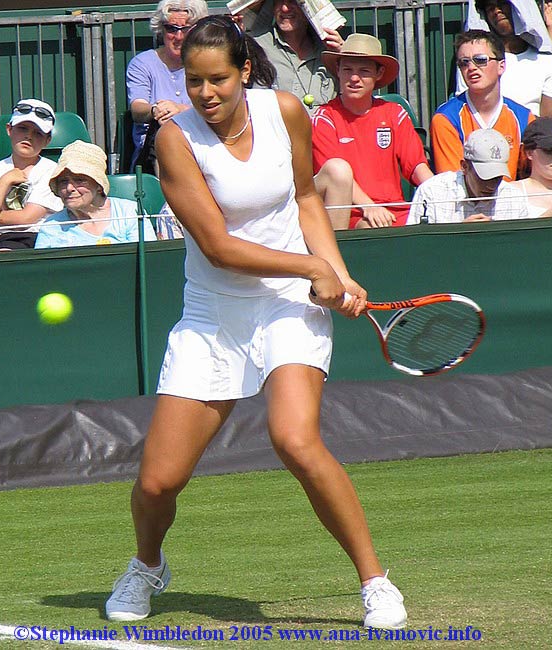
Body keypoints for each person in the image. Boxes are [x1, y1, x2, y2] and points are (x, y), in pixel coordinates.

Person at [105, 15, 408, 631]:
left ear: (245, 71)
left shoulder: (287, 111)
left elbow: (305, 198)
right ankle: (146, 563)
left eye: (217, 78)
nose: (205, 93)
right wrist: (310, 267)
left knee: (294, 439)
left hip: (287, 305)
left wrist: (337, 273)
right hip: (213, 310)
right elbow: (216, 246)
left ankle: (375, 581)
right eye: (193, 81)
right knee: (159, 483)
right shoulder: (174, 141)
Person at [311, 34, 433, 229]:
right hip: (350, 213)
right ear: (338, 71)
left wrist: (442, 196)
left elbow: (417, 167)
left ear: (379, 73)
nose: (354, 78)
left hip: (396, 211)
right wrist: (369, 206)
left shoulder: (394, 112)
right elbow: (335, 177)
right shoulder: (324, 117)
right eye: (347, 69)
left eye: (364, 71)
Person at [0, 99, 63, 251]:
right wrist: (4, 181)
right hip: (8, 239)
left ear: (47, 141)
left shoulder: (52, 171)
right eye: (22, 128)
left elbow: (26, 219)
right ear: (9, 129)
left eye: (38, 133)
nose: (29, 136)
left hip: (49, 236)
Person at [432, 30, 534, 179]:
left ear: (501, 66)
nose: (471, 67)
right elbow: (452, 184)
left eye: (480, 60)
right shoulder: (446, 119)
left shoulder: (524, 117)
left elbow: (531, 179)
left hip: (512, 199)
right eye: (464, 62)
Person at [126, 0, 208, 173]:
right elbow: (137, 109)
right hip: (154, 154)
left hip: (201, 146)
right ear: (161, 29)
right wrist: (156, 110)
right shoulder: (142, 63)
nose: (178, 37)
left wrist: (181, 111)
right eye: (171, 29)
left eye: (185, 29)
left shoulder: (206, 61)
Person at [34, 141, 156, 248]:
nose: (69, 188)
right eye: (63, 181)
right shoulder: (52, 227)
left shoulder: (130, 212)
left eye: (79, 180)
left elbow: (149, 259)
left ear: (98, 185)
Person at [459, 0, 552, 118]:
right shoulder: (473, 61)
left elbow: (547, 124)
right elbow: (463, 110)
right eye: (490, 7)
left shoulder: (550, 63)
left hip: (530, 134)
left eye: (503, 4)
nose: (497, 11)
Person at [408, 129, 529, 223]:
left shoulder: (513, 198)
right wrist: (460, 236)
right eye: (484, 176)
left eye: (497, 177)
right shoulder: (432, 192)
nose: (491, 185)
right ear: (464, 167)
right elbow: (415, 248)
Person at [254, 0, 344, 112]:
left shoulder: (331, 50)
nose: (284, 8)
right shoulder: (257, 47)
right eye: (278, 1)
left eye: (293, 2)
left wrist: (344, 58)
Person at [511, 117, 552, 217]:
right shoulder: (510, 192)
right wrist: (546, 217)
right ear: (529, 152)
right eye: (550, 149)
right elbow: (506, 232)